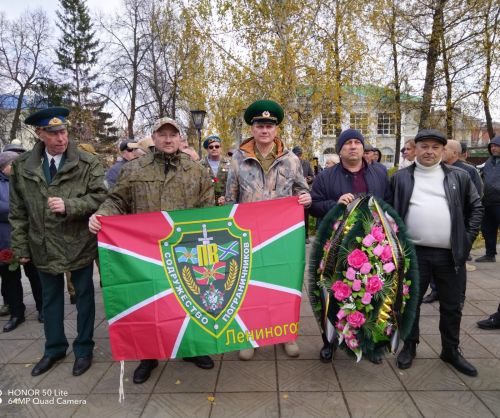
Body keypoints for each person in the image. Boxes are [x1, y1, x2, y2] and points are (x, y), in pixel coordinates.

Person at [89, 116, 215, 384]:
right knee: (150, 304)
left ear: (180, 139)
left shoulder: (197, 171)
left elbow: (208, 210)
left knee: (189, 300)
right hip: (146, 252)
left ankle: (192, 349)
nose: (168, 139)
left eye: (173, 134)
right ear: (154, 138)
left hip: (186, 251)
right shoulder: (134, 170)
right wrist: (101, 215)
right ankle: (148, 356)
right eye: (162, 134)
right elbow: (116, 200)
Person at [10, 107, 107, 377]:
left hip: (79, 243)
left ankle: (84, 349)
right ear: (40, 134)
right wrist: (20, 247)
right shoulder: (22, 166)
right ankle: (54, 348)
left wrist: (70, 205)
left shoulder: (87, 163)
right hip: (42, 245)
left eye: (63, 131)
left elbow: (101, 198)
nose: (61, 138)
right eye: (53, 133)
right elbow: (17, 211)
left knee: (84, 298)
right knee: (50, 299)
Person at [391, 129, 483, 377]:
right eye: (424, 146)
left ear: (443, 151)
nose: (429, 151)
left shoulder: (459, 177)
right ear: (415, 148)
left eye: (435, 147)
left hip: (450, 256)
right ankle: (410, 346)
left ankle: (450, 350)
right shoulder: (400, 178)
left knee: (452, 305)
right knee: (411, 304)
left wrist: (466, 239)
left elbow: (476, 208)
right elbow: (389, 213)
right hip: (414, 254)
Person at [225, 99, 311, 360]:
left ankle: (286, 334)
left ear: (276, 130)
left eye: (269, 126)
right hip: (248, 233)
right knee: (249, 284)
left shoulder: (291, 160)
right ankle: (249, 335)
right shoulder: (239, 159)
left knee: (283, 283)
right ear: (253, 128)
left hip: (282, 234)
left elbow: (301, 189)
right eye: (260, 125)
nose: (264, 130)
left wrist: (306, 197)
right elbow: (231, 197)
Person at [310, 128, 391, 362]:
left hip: (373, 246)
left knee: (371, 294)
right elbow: (314, 205)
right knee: (333, 294)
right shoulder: (326, 176)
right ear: (340, 149)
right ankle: (330, 342)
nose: (353, 146)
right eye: (347, 143)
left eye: (357, 142)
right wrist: (335, 204)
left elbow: (389, 204)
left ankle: (369, 343)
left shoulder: (379, 173)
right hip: (337, 246)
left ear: (363, 147)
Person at [421, 139, 484, 304]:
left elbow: (476, 199)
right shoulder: (437, 171)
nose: (439, 152)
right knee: (435, 264)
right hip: (438, 232)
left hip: (460, 227)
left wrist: (468, 235)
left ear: (454, 152)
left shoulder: (468, 171)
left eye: (444, 149)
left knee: (457, 266)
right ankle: (436, 291)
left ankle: (459, 297)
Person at [0, 151, 43, 331]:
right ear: (5, 166)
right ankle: (17, 313)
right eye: (14, 164)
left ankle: (43, 309)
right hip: (5, 240)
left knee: (36, 276)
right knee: (11, 280)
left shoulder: (26, 179)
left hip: (30, 238)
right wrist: (21, 209)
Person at [475, 135, 500, 263]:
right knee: (487, 229)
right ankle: (490, 254)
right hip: (487, 201)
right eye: (492, 146)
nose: (494, 148)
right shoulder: (488, 162)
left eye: (496, 146)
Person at [292, 146, 314, 244]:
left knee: (305, 217)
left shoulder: (306, 164)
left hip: (303, 194)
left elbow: (313, 176)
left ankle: (305, 236)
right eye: (297, 154)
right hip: (291, 195)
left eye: (300, 154)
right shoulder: (289, 163)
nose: (298, 156)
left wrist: (307, 180)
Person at [200, 135, 231, 205]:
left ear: (221, 148)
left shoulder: (230, 163)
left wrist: (225, 196)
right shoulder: (200, 165)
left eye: (217, 146)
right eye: (211, 147)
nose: (214, 148)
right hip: (207, 204)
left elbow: (233, 183)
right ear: (207, 149)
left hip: (226, 203)